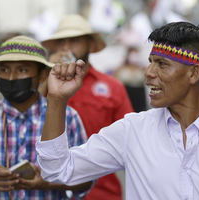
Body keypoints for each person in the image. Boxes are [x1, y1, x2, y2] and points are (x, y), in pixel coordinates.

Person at [36, 22, 199, 199]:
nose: (148, 73)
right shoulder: (132, 130)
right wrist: (56, 100)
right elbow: (58, 170)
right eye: (150, 62)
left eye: (162, 64)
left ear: (194, 73)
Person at [0, 35, 92, 199]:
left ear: (42, 76)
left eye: (22, 70)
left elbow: (86, 179)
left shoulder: (68, 117)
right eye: (4, 70)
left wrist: (46, 183)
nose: (11, 78)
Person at [41, 14, 133, 200]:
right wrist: (46, 76)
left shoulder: (113, 87)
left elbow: (130, 141)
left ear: (90, 45)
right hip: (49, 191)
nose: (66, 47)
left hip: (101, 193)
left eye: (74, 40)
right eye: (61, 42)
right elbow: (30, 114)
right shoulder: (44, 83)